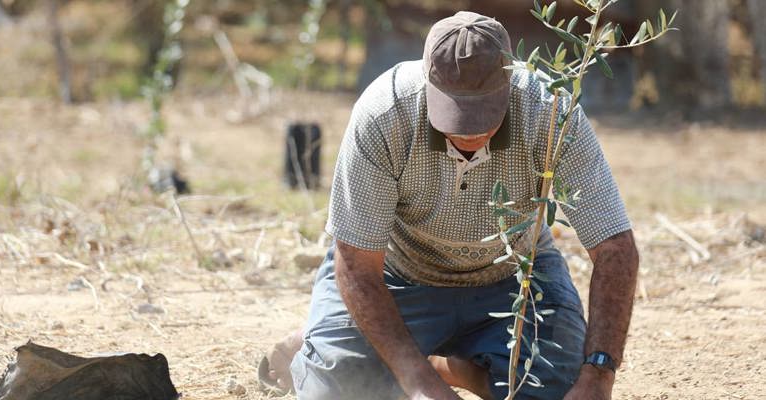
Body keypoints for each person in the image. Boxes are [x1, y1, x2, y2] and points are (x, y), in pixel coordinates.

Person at [260, 11, 639, 400]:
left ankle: (449, 365)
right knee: (342, 389)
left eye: (484, 114)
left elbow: (615, 248)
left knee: (556, 390)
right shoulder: (383, 113)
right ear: (428, 83)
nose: (471, 131)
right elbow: (356, 262)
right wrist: (419, 384)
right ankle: (335, 346)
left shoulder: (551, 112)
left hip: (512, 278)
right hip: (396, 278)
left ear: (511, 83)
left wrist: (599, 375)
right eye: (455, 113)